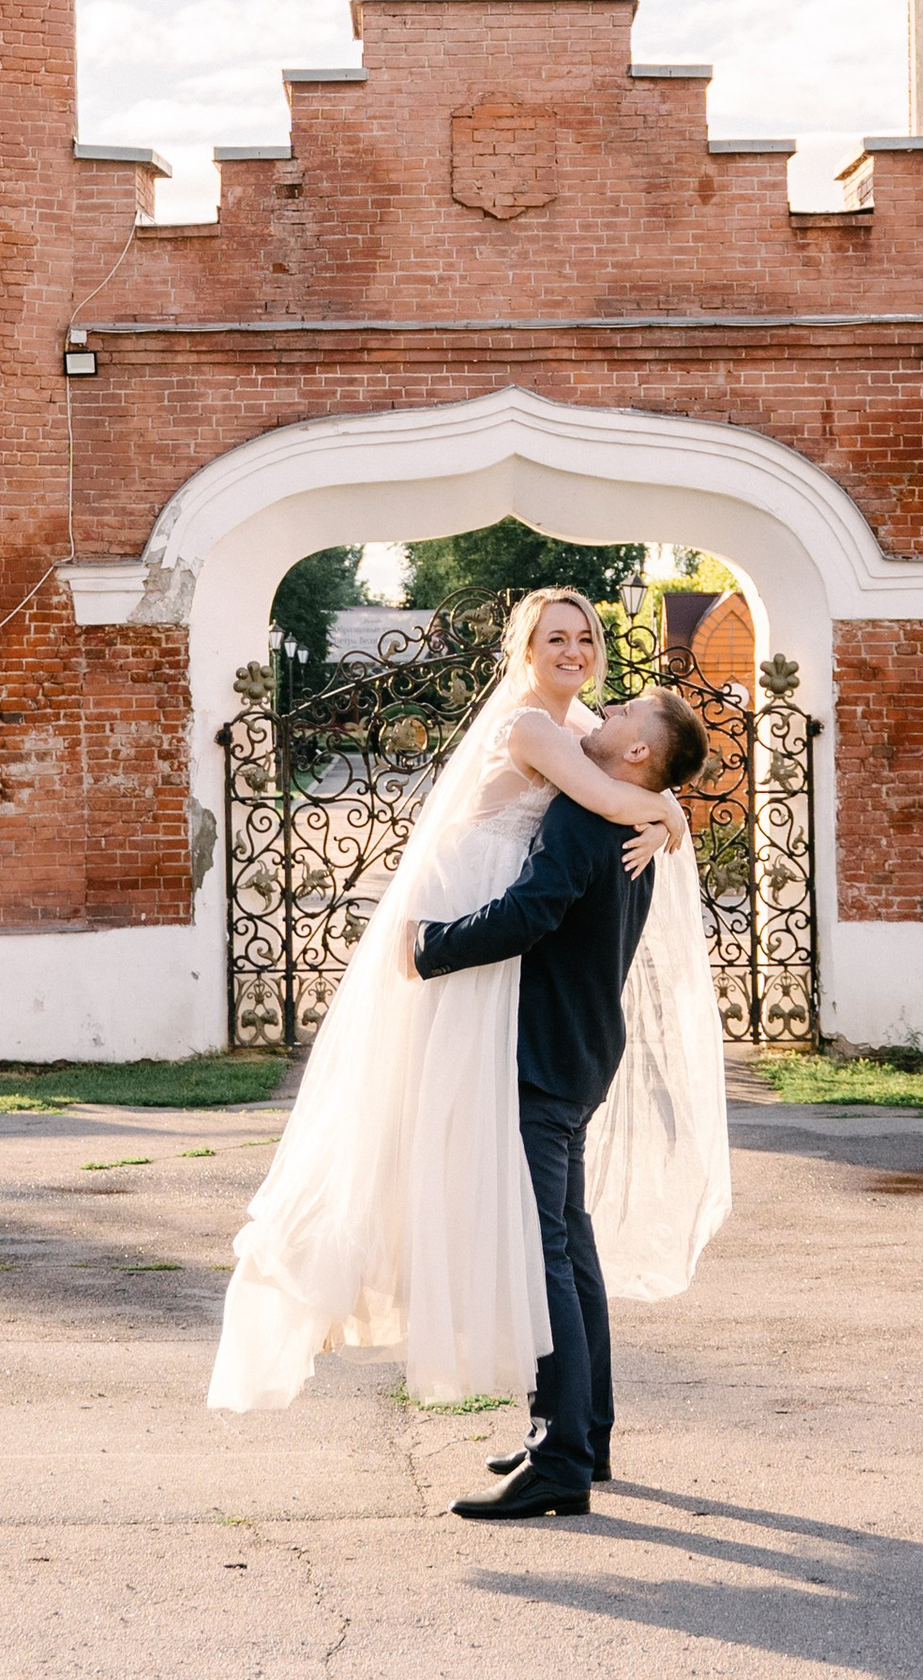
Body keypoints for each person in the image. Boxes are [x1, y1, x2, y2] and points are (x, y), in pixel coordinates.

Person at [207, 587, 731, 1435]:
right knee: (513, 1201)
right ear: (526, 651)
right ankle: (563, 1432)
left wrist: (665, 806)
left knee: (547, 1228)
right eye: (554, 637)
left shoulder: (592, 729)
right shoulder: (535, 728)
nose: (573, 649)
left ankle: (563, 1434)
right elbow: (613, 798)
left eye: (585, 636)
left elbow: (622, 786)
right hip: (467, 933)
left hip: (501, 954)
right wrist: (664, 808)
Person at [414, 674, 711, 1522]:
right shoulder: (636, 818)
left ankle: (562, 1462)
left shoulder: (595, 816)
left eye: (621, 714)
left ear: (639, 750)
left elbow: (528, 914)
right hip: (582, 1053)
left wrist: (427, 945)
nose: (602, 712)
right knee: (572, 1253)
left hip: (543, 1058)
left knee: (546, 1255)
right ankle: (585, 1431)